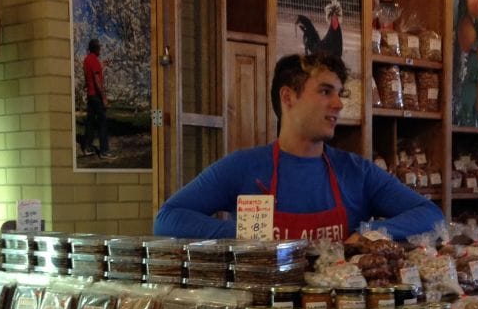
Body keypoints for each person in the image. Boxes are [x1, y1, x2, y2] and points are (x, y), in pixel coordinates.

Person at [154, 52, 444, 240]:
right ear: (288, 97)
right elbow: (167, 219)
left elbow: (431, 215)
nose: (339, 103)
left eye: (339, 93)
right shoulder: (243, 167)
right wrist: (240, 235)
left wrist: (371, 234)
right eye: (324, 91)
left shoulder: (357, 172)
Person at [82, 38, 111, 157]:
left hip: (90, 95)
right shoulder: (94, 60)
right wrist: (103, 97)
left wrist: (102, 65)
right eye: (99, 47)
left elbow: (91, 73)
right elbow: (97, 80)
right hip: (96, 95)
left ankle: (87, 147)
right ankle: (104, 151)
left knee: (90, 122)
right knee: (102, 122)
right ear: (96, 48)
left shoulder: (87, 59)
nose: (101, 49)